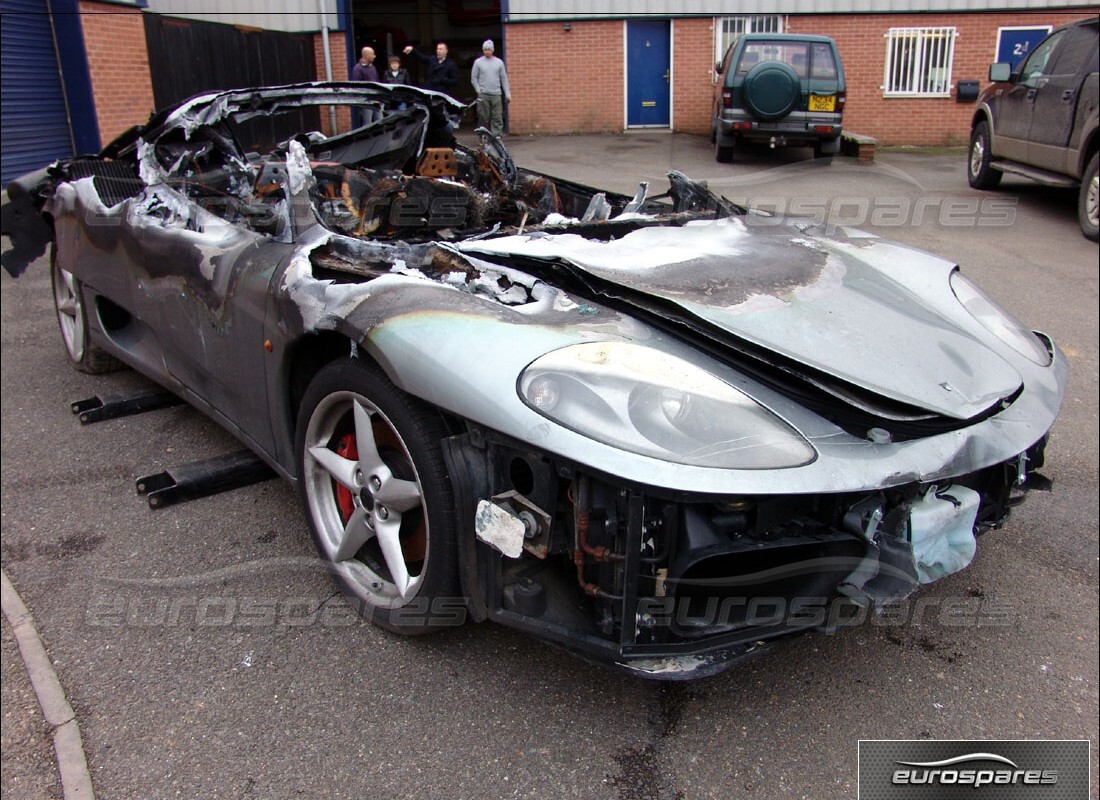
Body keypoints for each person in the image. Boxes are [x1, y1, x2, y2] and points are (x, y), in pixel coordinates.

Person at [471, 39, 510, 137]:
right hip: (483, 94)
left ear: (492, 50)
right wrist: (478, 90)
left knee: (497, 117)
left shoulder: (499, 63)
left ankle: (496, 137)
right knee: (483, 117)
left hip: (496, 94)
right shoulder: (478, 62)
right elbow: (474, 78)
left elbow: (504, 79)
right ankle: (483, 137)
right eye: (485, 49)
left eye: (489, 49)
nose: (487, 51)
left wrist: (508, 94)